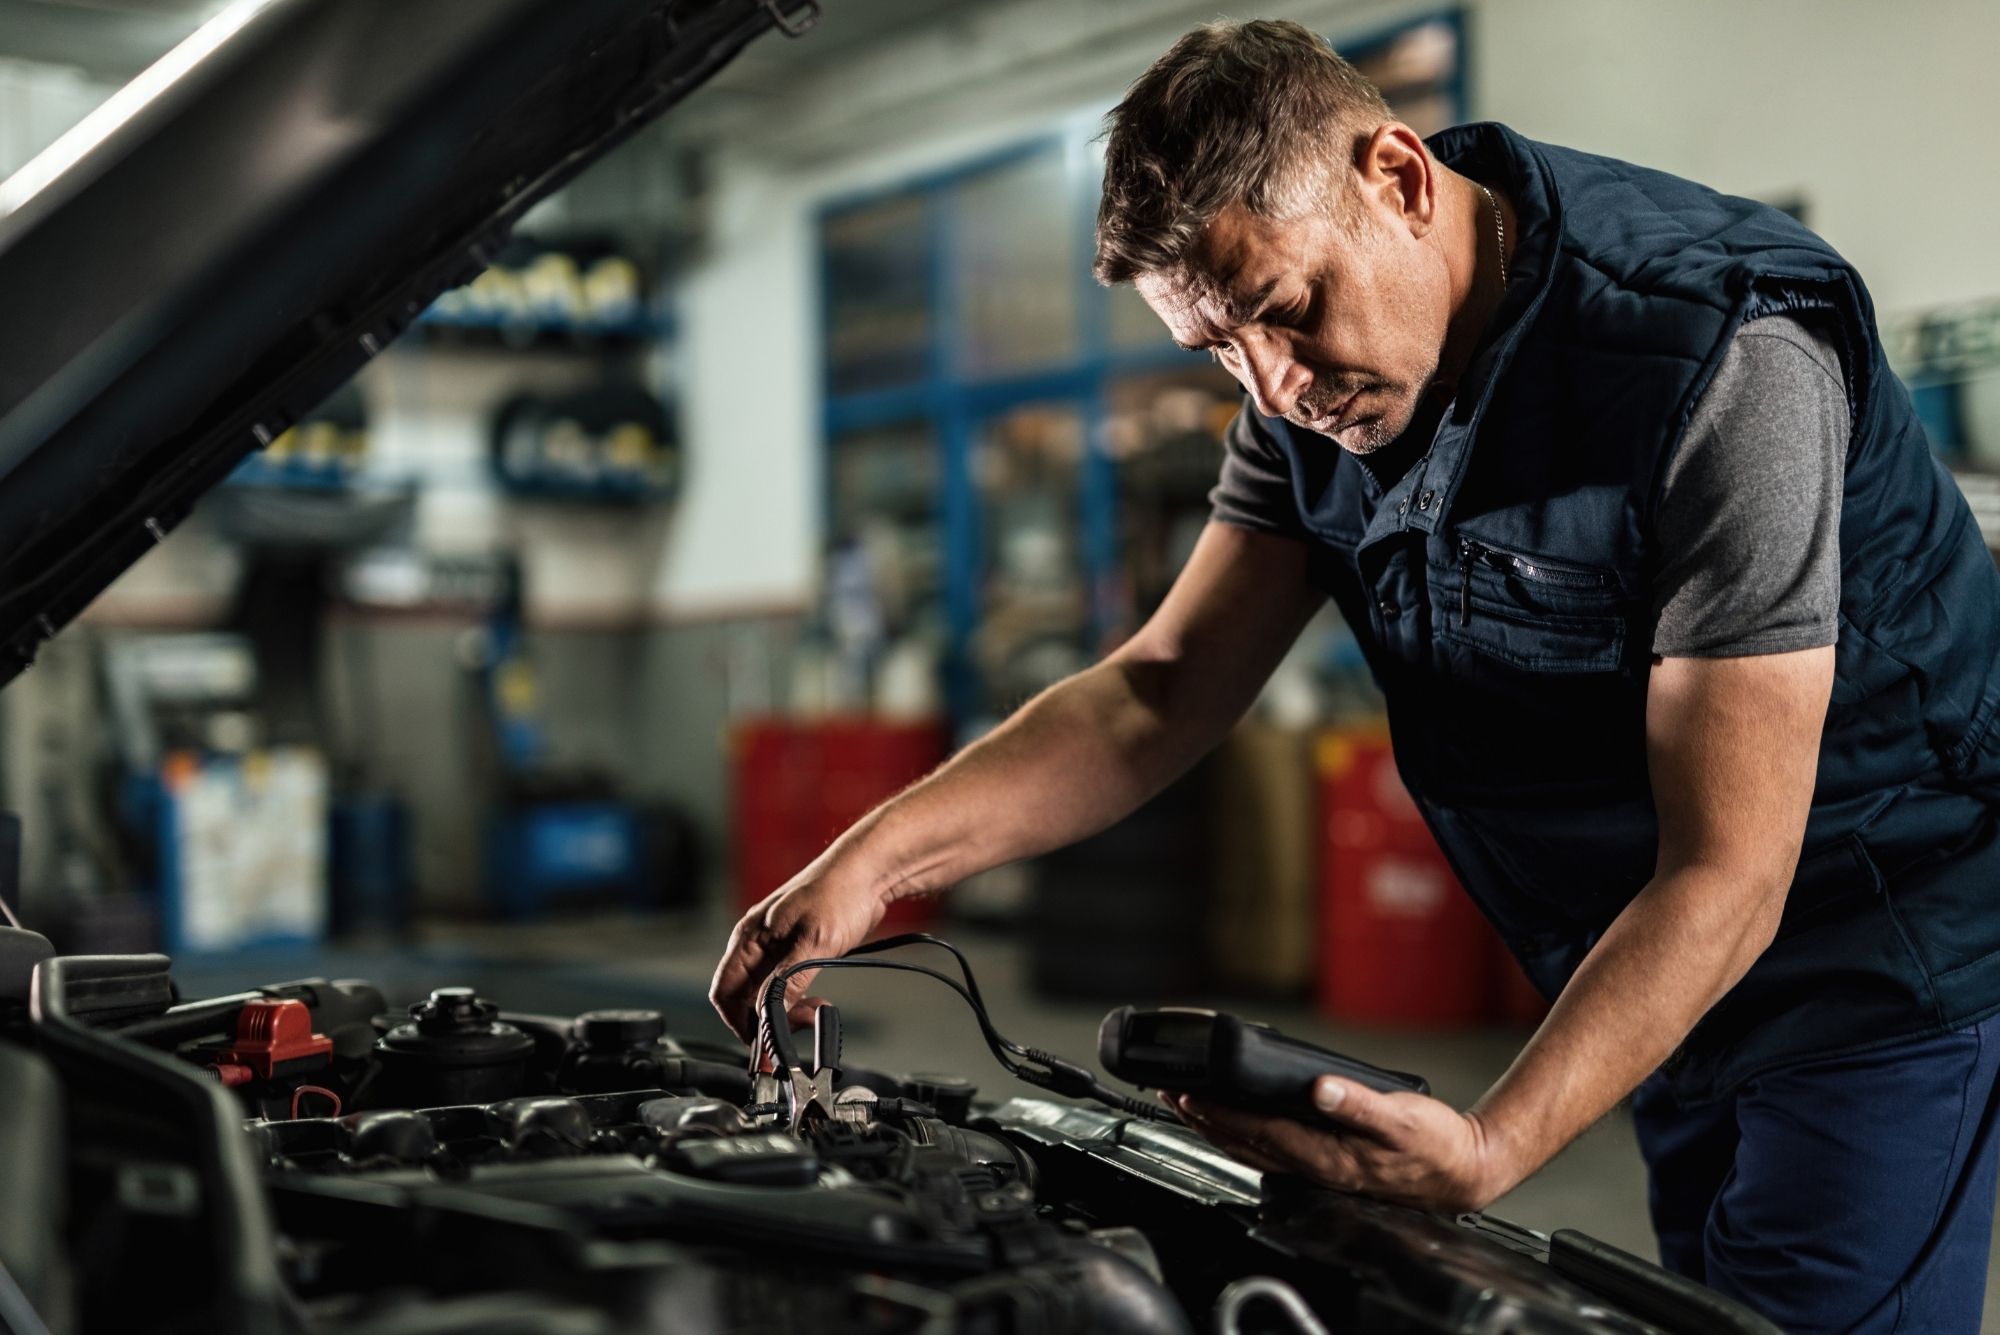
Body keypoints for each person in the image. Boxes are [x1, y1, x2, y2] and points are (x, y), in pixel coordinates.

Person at [711, 20, 2000, 1332]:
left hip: (1871, 939)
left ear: (1396, 176)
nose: (1270, 389)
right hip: (1649, 949)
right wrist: (874, 864)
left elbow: (1733, 868)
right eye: (1216, 348)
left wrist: (1491, 1146)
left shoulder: (1720, 354)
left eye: (1282, 309)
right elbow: (1162, 686)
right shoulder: (1309, 400)